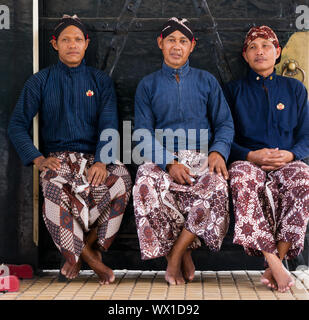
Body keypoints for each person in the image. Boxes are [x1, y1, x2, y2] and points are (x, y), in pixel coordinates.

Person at [8, 14, 132, 284]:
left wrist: (101, 161)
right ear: (54, 44)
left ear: (86, 43)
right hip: (60, 160)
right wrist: (39, 159)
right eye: (66, 40)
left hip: (93, 159)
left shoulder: (100, 81)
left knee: (121, 177)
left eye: (78, 39)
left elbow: (109, 125)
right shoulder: (40, 81)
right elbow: (16, 125)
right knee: (52, 186)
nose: (72, 45)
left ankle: (87, 252)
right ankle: (87, 260)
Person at [133, 17, 234, 285]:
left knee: (218, 186)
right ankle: (182, 253)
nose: (176, 46)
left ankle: (176, 253)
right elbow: (142, 133)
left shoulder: (206, 81)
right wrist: (168, 162)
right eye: (171, 40)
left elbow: (224, 123)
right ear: (160, 44)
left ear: (192, 47)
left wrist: (218, 152)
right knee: (143, 182)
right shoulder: (148, 85)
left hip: (201, 157)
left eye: (183, 41)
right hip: (162, 158)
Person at [224, 25, 309, 293]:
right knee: (240, 180)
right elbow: (224, 136)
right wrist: (249, 154)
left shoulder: (295, 89)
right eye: (253, 47)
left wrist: (291, 154)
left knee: (303, 179)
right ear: (245, 56)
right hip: (248, 161)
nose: (260, 52)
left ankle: (279, 261)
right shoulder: (233, 91)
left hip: (286, 161)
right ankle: (272, 261)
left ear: (278, 52)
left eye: (266, 46)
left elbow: (307, 134)